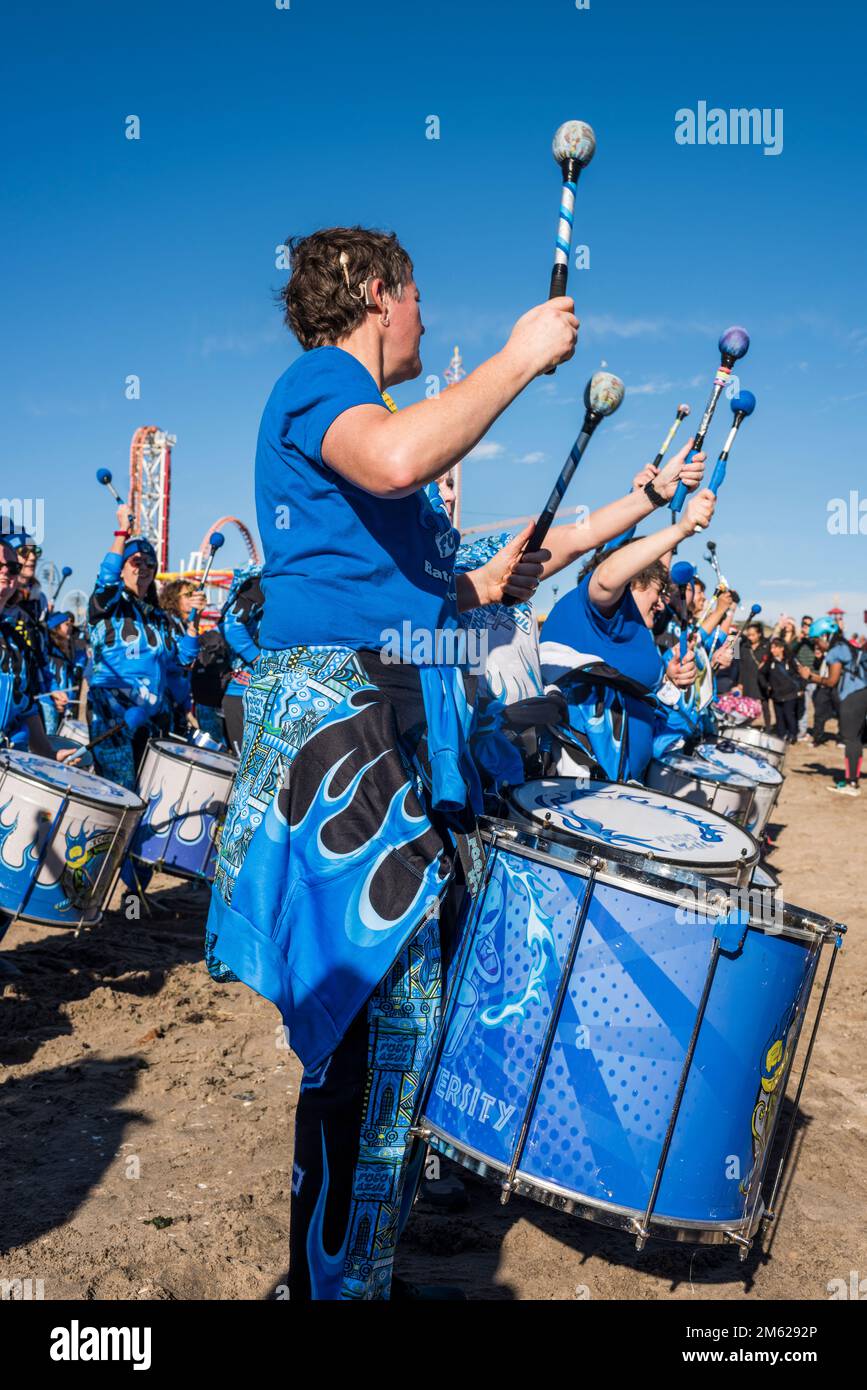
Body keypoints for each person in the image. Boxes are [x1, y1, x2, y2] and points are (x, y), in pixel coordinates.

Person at [204, 224, 576, 1301]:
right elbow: (402, 452)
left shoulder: (382, 481)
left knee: (399, 1022)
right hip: (346, 744)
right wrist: (516, 359)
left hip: (394, 729)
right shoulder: (321, 382)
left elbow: (428, 597)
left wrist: (493, 578)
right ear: (378, 295)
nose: (426, 319)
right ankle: (327, 1286)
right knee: (370, 1026)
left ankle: (349, 1273)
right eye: (416, 298)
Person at [444, 439, 706, 787]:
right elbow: (606, 572)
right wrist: (680, 528)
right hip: (458, 769)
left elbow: (582, 536)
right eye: (437, 483)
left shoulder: (491, 553)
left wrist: (654, 494)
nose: (449, 496)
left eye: (450, 484)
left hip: (531, 766)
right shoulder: (400, 577)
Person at [540, 487, 715, 780]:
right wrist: (682, 528)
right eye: (658, 593)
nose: (661, 604)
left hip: (626, 779)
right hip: (582, 783)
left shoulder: (637, 629)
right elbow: (607, 577)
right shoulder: (596, 607)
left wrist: (667, 677)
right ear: (634, 581)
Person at [86, 509, 204, 788]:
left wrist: (192, 625)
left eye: (150, 563)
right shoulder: (107, 606)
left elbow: (182, 661)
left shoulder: (159, 618)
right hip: (113, 711)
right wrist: (121, 534)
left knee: (151, 793)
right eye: (135, 560)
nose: (144, 567)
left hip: (154, 714)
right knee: (120, 790)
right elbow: (106, 579)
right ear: (123, 566)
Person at [797, 617, 867, 795]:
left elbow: (831, 681)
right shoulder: (847, 647)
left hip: (852, 698)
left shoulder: (835, 652)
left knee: (850, 739)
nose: (817, 645)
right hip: (862, 694)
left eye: (816, 640)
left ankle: (852, 785)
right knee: (856, 739)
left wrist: (810, 676)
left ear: (826, 636)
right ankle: (852, 779)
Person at [764, 635, 801, 742]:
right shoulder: (769, 662)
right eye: (771, 648)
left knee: (789, 715)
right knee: (779, 717)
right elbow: (761, 674)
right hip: (776, 695)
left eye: (775, 647)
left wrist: (801, 688)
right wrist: (767, 686)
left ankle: (793, 735)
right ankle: (781, 735)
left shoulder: (791, 660)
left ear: (781, 648)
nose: (772, 650)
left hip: (790, 694)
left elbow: (800, 674)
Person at [793, 614, 816, 740]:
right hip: (801, 679)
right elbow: (790, 652)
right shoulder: (798, 640)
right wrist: (798, 639)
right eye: (804, 625)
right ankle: (802, 732)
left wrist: (811, 637)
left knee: (820, 708)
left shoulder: (816, 639)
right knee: (803, 707)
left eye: (809, 625)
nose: (806, 627)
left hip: (815, 678)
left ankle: (818, 733)